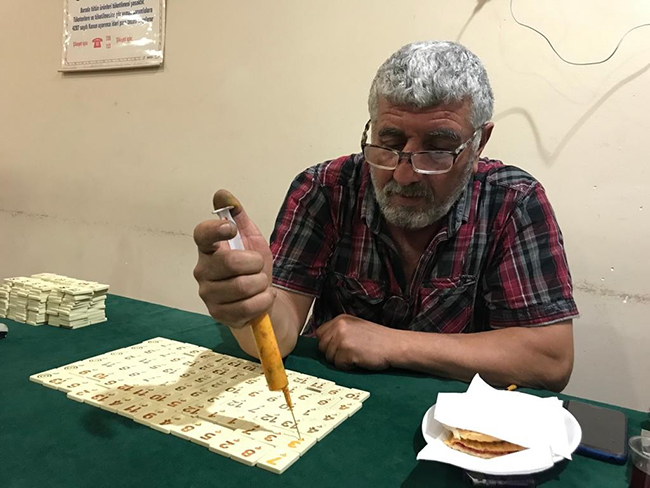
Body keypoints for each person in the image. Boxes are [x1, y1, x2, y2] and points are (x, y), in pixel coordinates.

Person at [193, 41, 579, 392]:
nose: (404, 175)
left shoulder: (513, 201)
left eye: (437, 151)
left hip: (455, 418)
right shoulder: (325, 189)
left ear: (479, 143)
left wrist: (393, 344)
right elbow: (278, 337)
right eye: (389, 143)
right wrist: (250, 305)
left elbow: (549, 360)